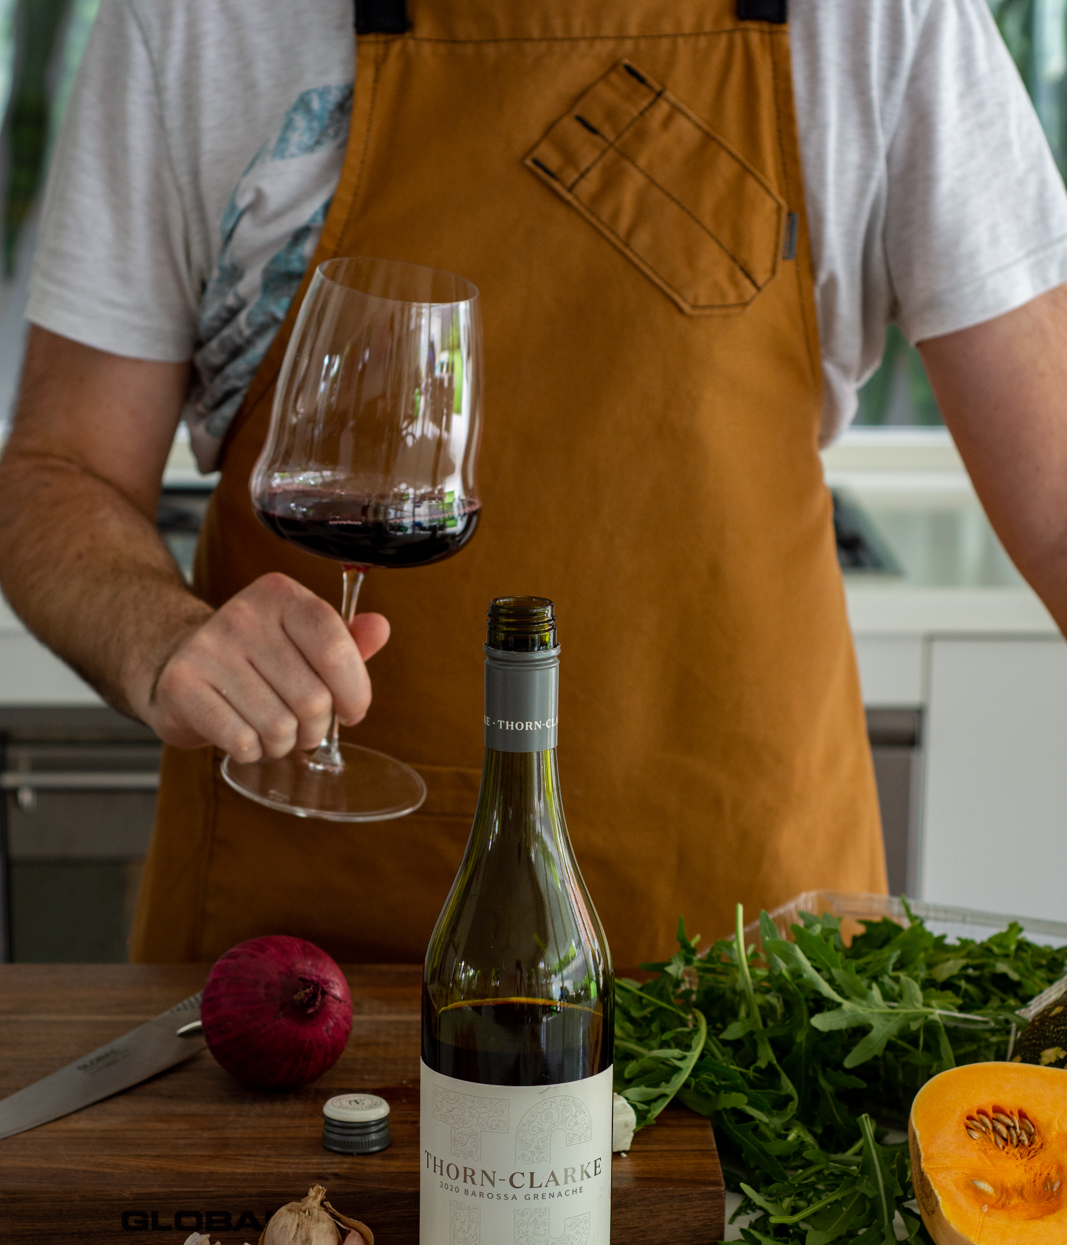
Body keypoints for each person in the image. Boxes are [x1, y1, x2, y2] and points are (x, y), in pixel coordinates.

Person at [1, 0, 1066, 968]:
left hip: (744, 970)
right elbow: (59, 470)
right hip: (315, 967)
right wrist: (160, 641)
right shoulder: (195, 24)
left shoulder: (879, 21)